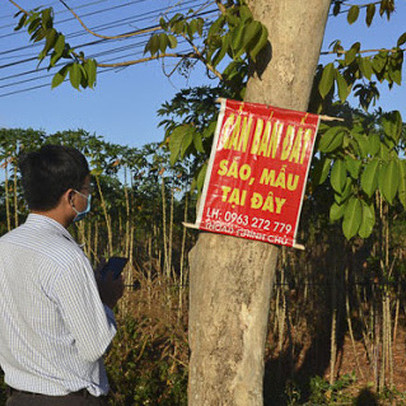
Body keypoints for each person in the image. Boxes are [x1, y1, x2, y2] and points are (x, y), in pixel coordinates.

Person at [0, 145, 124, 406]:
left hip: (18, 396)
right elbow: (94, 346)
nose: (87, 198)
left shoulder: (5, 245)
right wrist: (106, 302)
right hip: (68, 399)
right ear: (71, 197)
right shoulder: (67, 257)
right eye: (87, 190)